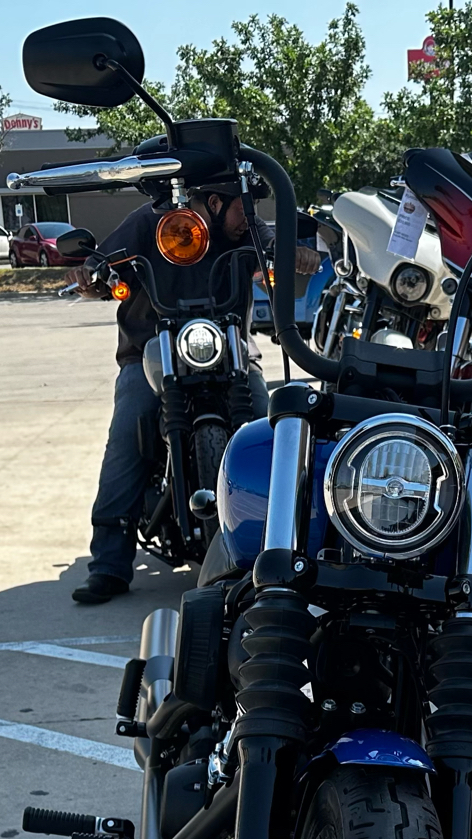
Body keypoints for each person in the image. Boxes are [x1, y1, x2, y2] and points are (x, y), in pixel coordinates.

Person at [70, 184, 319, 604]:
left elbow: (275, 241)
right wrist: (89, 274)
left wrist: (298, 252)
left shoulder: (246, 230)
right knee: (129, 432)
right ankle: (109, 564)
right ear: (216, 202)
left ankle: (290, 545)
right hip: (152, 349)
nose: (250, 215)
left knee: (273, 430)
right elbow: (104, 265)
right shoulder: (150, 221)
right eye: (243, 206)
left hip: (230, 347)